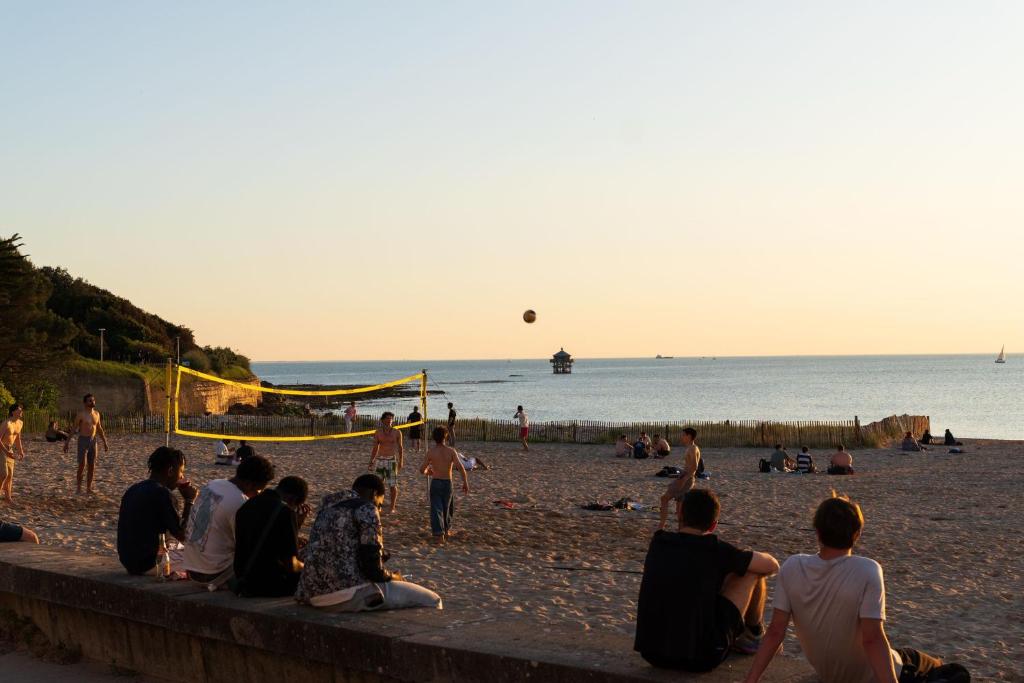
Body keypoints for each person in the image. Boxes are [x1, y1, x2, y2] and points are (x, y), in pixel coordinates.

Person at [743, 495, 970, 683]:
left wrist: (751, 679)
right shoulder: (867, 570)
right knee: (955, 672)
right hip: (879, 673)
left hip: (832, 674)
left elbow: (775, 632)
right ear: (857, 535)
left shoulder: (792, 566)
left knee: (911, 654)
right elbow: (872, 640)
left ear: (818, 533)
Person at [636, 489, 779, 672]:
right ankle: (754, 634)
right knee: (749, 572)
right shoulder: (716, 550)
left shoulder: (658, 543)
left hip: (652, 653)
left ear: (680, 514)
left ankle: (750, 635)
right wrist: (745, 555)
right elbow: (772, 566)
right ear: (713, 526)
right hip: (703, 657)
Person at [296, 473, 443, 612]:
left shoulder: (327, 508)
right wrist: (395, 577)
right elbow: (373, 570)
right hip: (345, 595)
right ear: (374, 494)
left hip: (313, 593)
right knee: (432, 600)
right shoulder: (366, 508)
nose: (378, 509)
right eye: (379, 504)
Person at [181, 455, 276, 587]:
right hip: (213, 574)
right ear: (249, 484)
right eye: (258, 490)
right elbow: (248, 547)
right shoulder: (240, 502)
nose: (258, 495)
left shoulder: (213, 484)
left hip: (191, 569)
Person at [116, 446, 198, 575]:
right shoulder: (163, 494)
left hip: (129, 562)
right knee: (199, 558)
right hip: (150, 564)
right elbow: (183, 535)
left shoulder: (133, 489)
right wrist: (189, 501)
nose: (181, 477)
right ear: (171, 471)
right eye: (181, 472)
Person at [233, 475, 311, 597]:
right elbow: (291, 564)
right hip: (268, 584)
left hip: (243, 579)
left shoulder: (247, 505)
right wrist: (307, 567)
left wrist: (296, 525)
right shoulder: (285, 512)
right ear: (292, 499)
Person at [419, 426, 470, 543]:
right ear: (445, 437)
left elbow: (422, 469)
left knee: (436, 508)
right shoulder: (451, 451)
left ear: (434, 438)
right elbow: (461, 468)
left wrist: (428, 472)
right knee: (447, 508)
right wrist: (465, 482)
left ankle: (439, 534)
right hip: (447, 482)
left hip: (436, 481)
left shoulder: (431, 452)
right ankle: (446, 531)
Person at [63, 393, 108, 495]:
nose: (92, 402)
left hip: (93, 441)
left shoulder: (97, 414)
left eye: (93, 400)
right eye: (90, 401)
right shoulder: (81, 414)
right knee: (82, 465)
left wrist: (105, 442)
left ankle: (88, 488)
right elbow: (74, 429)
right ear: (85, 403)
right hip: (83, 440)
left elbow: (99, 429)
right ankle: (78, 488)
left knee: (92, 466)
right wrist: (67, 443)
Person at [658, 428, 701, 531]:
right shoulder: (690, 447)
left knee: (666, 500)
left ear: (689, 436)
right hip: (685, 477)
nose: (682, 437)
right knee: (679, 508)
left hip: (686, 479)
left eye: (683, 435)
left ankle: (661, 527)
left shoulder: (693, 448)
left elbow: (694, 467)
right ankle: (678, 530)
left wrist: (684, 479)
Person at [367, 412, 404, 513]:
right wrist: (371, 460)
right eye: (387, 418)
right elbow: (375, 448)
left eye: (391, 419)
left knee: (392, 485)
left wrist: (401, 461)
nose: (389, 420)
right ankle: (378, 506)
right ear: (382, 420)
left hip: (391, 460)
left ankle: (392, 507)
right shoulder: (378, 432)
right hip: (380, 460)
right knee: (378, 485)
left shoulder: (397, 432)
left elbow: (400, 448)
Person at [0, 404, 26, 502]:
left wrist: (21, 451)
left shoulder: (20, 423)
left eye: (21, 410)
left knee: (10, 475)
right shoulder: (6, 423)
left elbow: (18, 438)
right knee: (3, 474)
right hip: (2, 449)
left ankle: (8, 497)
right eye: (19, 410)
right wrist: (6, 452)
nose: (21, 412)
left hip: (10, 450)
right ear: (13, 412)